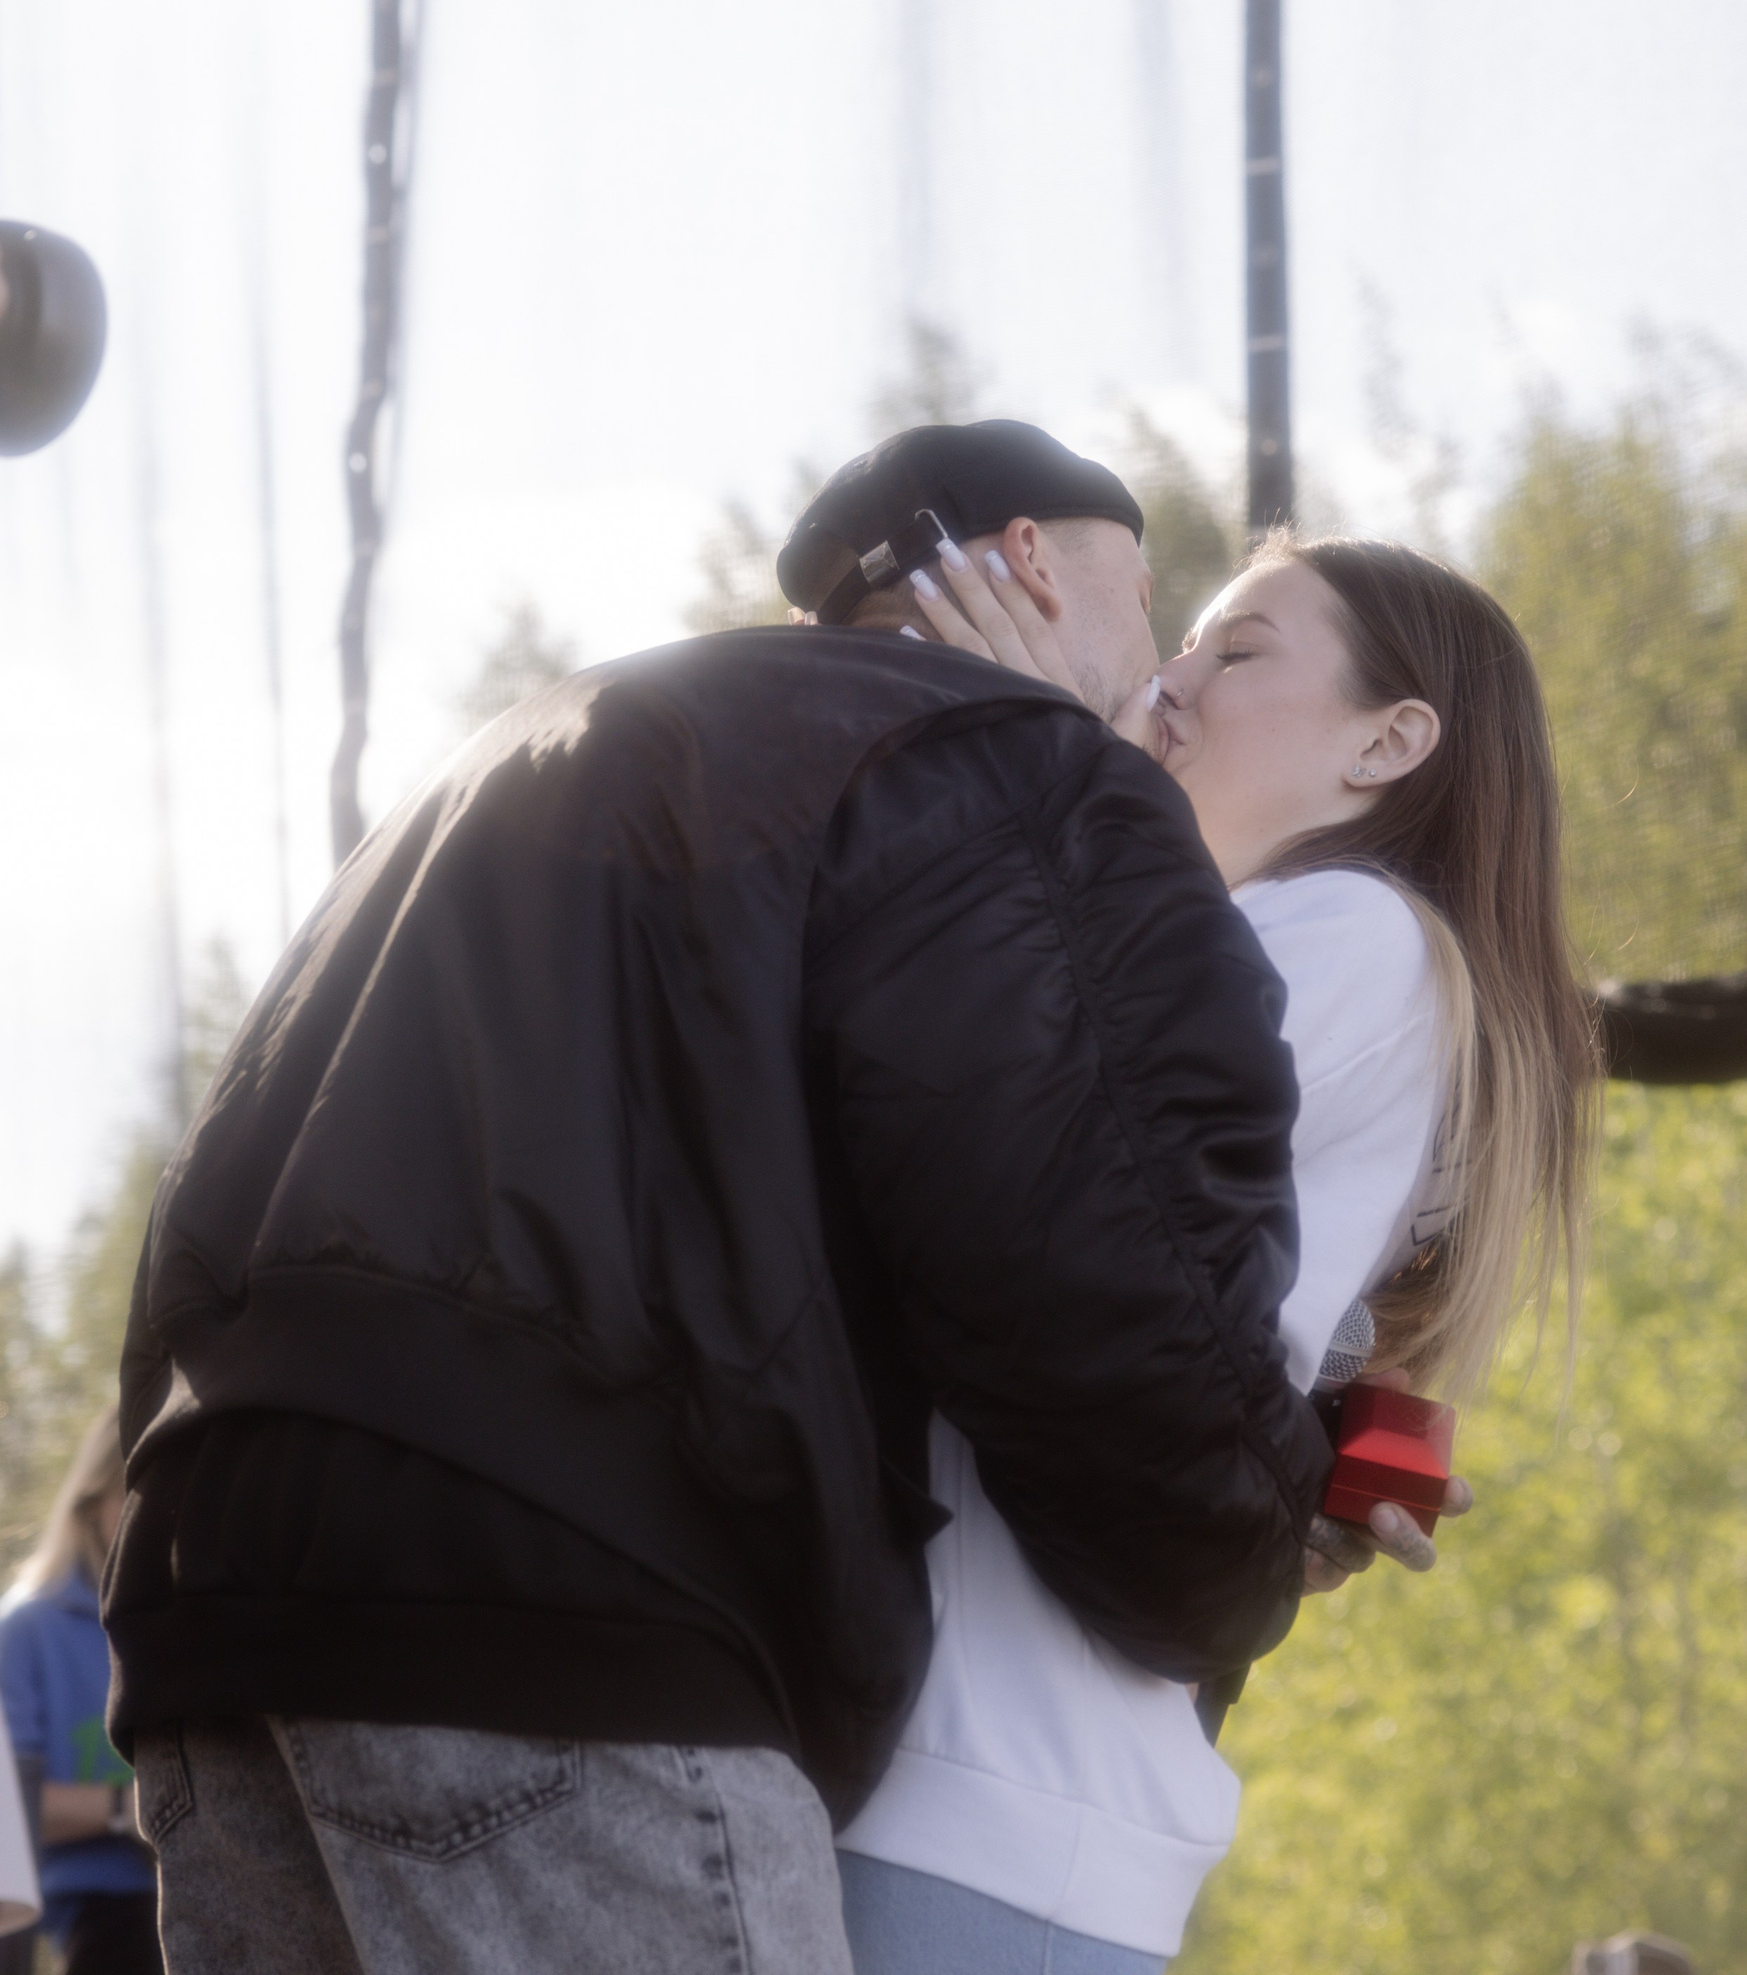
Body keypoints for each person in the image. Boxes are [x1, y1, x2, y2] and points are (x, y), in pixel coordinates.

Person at [104, 421, 1367, 1975]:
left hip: (210, 1623)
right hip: (563, 1624)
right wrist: (1250, 1539)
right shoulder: (1003, 762)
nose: (1161, 681)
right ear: (1036, 563)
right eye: (1159, 611)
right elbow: (1095, 1277)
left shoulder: (519, 759)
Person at [836, 525, 1601, 1973]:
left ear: (1389, 741)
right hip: (1010, 1784)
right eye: (1180, 640)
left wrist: (1042, 761)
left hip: (998, 1779)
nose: (1172, 680)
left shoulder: (1346, 930)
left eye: (1238, 651)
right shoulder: (1292, 938)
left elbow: (1035, 1125)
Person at [1, 1413, 160, 1975]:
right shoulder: (26, 1629)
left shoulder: (182, 1627)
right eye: (140, 1498)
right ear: (93, 1502)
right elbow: (12, 1808)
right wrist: (128, 1808)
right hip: (96, 1909)